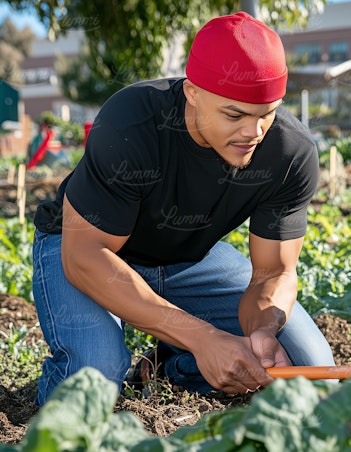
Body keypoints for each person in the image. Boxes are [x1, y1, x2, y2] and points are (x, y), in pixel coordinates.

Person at [31, 11, 335, 406]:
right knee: (97, 375)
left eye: (267, 114)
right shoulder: (132, 123)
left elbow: (274, 272)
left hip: (186, 261)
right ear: (193, 92)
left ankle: (167, 367)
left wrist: (262, 327)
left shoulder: (290, 152)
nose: (253, 133)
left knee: (303, 363)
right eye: (234, 114)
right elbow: (84, 257)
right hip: (83, 248)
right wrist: (203, 337)